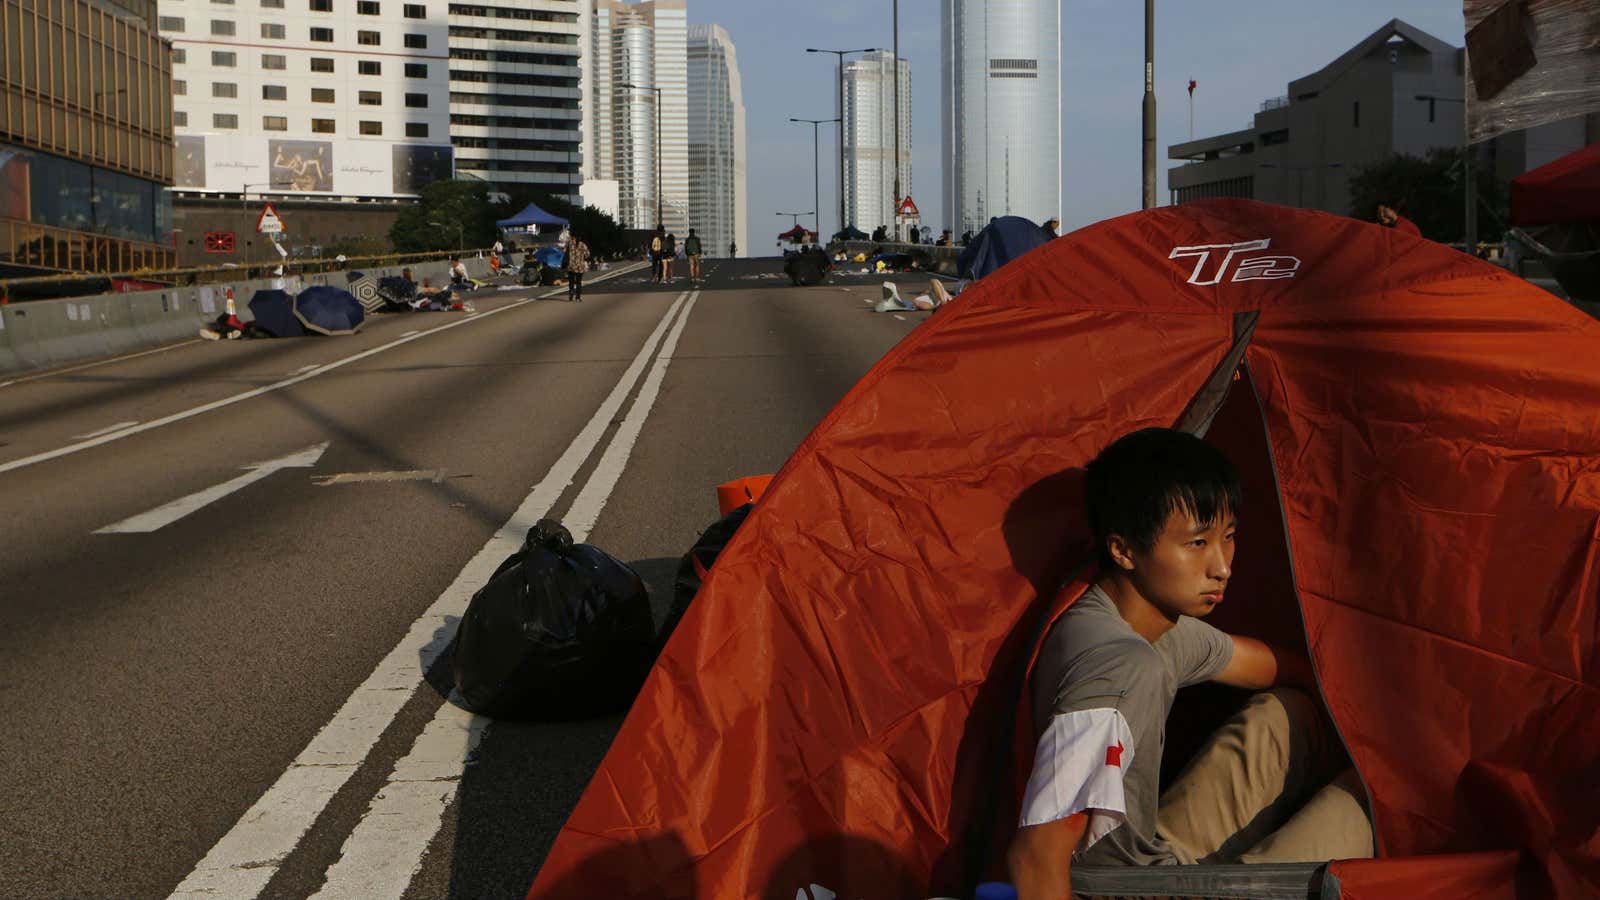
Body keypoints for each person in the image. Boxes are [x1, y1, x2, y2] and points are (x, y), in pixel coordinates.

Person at [1007, 428, 1373, 899]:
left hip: (1145, 861)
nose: (1221, 566)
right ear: (1123, 550)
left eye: (1229, 537)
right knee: (1366, 805)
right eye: (1197, 544)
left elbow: (1273, 665)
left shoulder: (1137, 619)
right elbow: (1035, 856)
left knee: (1289, 716)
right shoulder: (1119, 669)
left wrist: (1364, 730)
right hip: (1116, 891)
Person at [565, 233, 591, 302]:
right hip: (580, 266)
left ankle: (571, 294)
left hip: (571, 266)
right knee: (578, 282)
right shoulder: (582, 245)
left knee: (571, 282)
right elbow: (587, 254)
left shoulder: (569, 244)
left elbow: (565, 253)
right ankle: (578, 297)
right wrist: (582, 257)